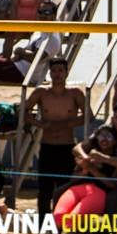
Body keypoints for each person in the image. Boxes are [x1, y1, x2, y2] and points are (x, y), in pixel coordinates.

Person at [25, 57, 85, 216]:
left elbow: (88, 116)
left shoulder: (75, 93)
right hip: (47, 146)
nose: (57, 74)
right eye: (54, 71)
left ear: (66, 73)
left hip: (66, 147)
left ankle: (60, 224)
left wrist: (68, 124)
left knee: (64, 188)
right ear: (49, 73)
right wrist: (41, 124)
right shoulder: (41, 92)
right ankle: (43, 225)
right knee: (44, 190)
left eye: (60, 71)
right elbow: (24, 111)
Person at [0, 2, 61, 83]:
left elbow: (36, 58)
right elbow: (26, 51)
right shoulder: (40, 30)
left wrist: (20, 52)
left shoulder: (53, 38)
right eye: (40, 12)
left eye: (46, 12)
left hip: (24, 74)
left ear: (54, 15)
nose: (42, 15)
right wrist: (18, 54)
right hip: (18, 67)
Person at [53, 124, 117, 227]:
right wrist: (84, 170)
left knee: (71, 221)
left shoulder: (116, 159)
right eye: (101, 136)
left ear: (115, 141)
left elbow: (112, 184)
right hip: (79, 188)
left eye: (109, 136)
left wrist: (92, 169)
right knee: (57, 218)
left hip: (99, 192)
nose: (104, 139)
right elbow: (73, 177)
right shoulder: (89, 153)